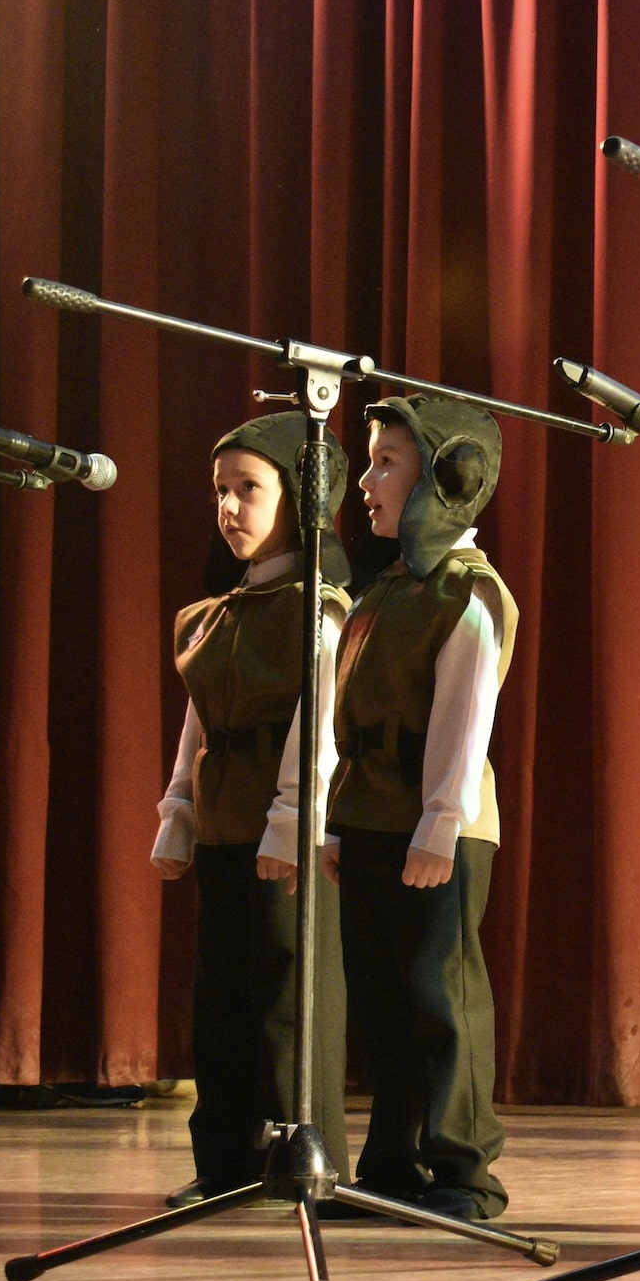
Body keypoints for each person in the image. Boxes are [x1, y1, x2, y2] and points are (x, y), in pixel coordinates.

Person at [323, 396, 517, 1224]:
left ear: (446, 479)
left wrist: (439, 825)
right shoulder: (382, 592)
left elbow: (462, 722)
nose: (365, 481)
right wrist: (335, 822)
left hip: (436, 829)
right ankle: (393, 1162)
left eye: (386, 463)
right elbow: (345, 713)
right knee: (382, 1000)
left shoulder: (466, 593)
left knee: (439, 997)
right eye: (368, 462)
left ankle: (463, 1171)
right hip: (369, 821)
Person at [151, 411, 350, 1206]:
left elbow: (321, 722)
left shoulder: (319, 608)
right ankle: (225, 1157)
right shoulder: (220, 613)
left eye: (249, 489)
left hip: (283, 831)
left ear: (298, 499)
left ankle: (301, 1155)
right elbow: (199, 718)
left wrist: (291, 820)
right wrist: (179, 812)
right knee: (221, 995)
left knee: (286, 996)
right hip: (227, 820)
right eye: (220, 492)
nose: (229, 507)